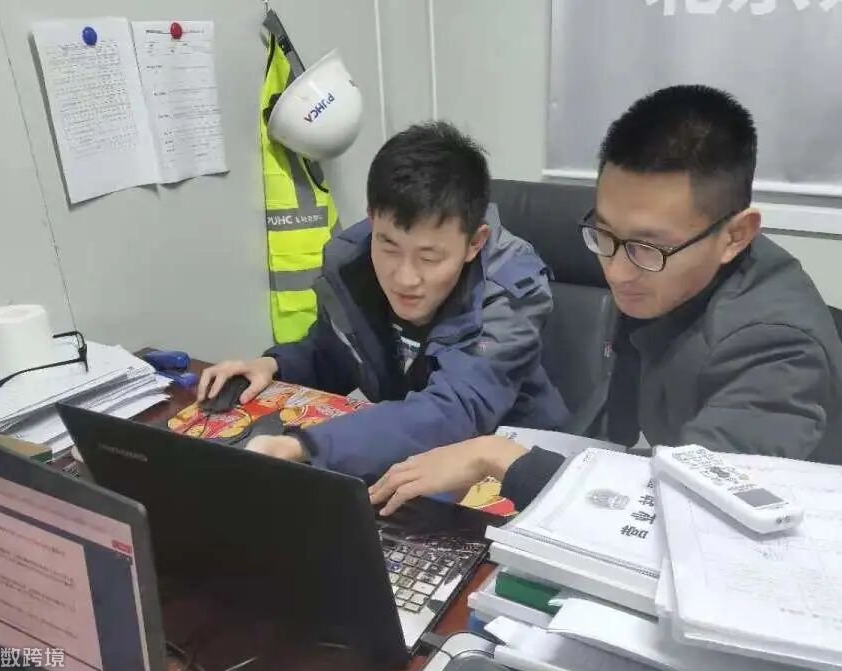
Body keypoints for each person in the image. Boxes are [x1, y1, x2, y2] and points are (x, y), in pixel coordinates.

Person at [369, 85, 842, 516]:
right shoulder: (659, 276)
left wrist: (500, 459)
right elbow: (620, 438)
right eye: (605, 233)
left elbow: (683, 508)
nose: (617, 272)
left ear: (735, 235)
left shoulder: (774, 347)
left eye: (648, 247)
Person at [197, 121, 568, 479]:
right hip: (410, 454)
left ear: (475, 242)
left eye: (429, 257)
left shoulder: (513, 288)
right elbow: (335, 353)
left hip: (514, 462)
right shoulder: (353, 260)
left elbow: (454, 410)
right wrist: (272, 365)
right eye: (389, 247)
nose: (404, 278)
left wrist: (305, 446)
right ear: (372, 219)